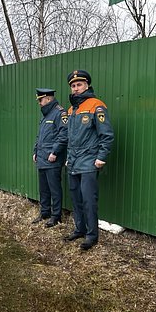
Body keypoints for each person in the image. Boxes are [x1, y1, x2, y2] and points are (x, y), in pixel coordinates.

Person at [63, 70, 114, 250]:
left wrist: (101, 157)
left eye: (79, 85)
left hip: (89, 161)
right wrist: (69, 159)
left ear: (87, 85)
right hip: (74, 162)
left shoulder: (96, 106)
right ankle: (80, 229)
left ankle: (92, 235)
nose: (76, 89)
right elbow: (70, 137)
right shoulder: (71, 109)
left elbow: (106, 135)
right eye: (73, 86)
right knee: (76, 198)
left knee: (88, 200)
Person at [32, 88, 68, 228]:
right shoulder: (45, 114)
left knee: (54, 188)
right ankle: (45, 212)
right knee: (44, 189)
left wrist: (55, 152)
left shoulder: (60, 113)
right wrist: (35, 151)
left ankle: (56, 216)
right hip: (42, 157)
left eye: (40, 100)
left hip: (52, 159)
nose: (39, 103)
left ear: (48, 98)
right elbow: (40, 136)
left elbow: (63, 135)